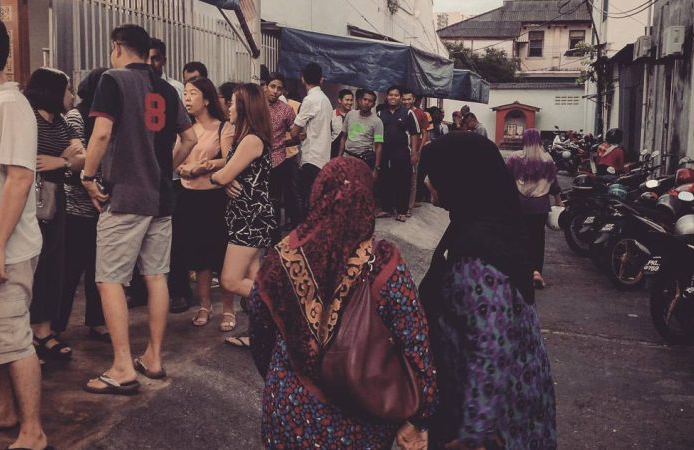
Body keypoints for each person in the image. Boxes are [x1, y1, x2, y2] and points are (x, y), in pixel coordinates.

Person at [249, 157, 437, 449]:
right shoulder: (383, 263)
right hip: (361, 417)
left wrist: (281, 374)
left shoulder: (282, 257)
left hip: (288, 407)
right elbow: (416, 342)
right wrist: (420, 417)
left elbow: (260, 331)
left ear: (317, 195)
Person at [419, 132, 557, 450]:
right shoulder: (489, 225)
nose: (428, 181)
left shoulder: (477, 255)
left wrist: (474, 435)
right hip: (509, 402)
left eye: (437, 174)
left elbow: (489, 347)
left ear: (461, 179)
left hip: (497, 421)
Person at [81, 24, 197, 395]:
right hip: (162, 197)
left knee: (110, 279)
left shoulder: (113, 80)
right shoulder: (166, 87)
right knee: (156, 276)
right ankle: (153, 358)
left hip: (127, 196)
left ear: (117, 47)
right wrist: (168, 167)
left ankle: (121, 367)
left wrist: (87, 175)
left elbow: (100, 134)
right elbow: (190, 137)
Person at [0, 11, 51, 450]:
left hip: (2, 247)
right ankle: (2, 410)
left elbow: (20, 178)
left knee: (13, 337)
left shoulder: (9, 103)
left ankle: (32, 430)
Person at [24, 68, 86, 363]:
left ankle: (44, 330)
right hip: (28, 201)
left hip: (56, 201)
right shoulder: (26, 118)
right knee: (31, 268)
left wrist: (59, 161)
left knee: (53, 267)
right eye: (67, 90)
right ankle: (26, 336)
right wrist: (65, 160)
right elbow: (29, 161)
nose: (71, 96)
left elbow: (81, 157)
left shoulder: (61, 121)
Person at [210, 83, 277, 348]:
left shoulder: (251, 140)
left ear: (245, 107)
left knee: (230, 279)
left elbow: (224, 174)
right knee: (254, 278)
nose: (228, 106)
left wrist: (219, 177)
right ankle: (260, 334)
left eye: (232, 102)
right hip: (248, 216)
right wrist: (226, 178)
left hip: (250, 220)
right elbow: (231, 173)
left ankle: (282, 304)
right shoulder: (245, 137)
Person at [55, 68, 110, 343]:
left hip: (104, 204)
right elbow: (74, 161)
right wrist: (90, 187)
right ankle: (56, 325)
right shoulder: (77, 116)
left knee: (98, 268)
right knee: (71, 267)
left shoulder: (110, 117)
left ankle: (97, 322)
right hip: (78, 204)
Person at [173, 77, 233, 329]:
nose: (187, 99)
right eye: (185, 94)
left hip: (214, 197)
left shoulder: (223, 127)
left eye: (192, 94)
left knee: (220, 254)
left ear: (206, 99)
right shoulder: (186, 130)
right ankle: (204, 305)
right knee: (199, 258)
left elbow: (230, 159)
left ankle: (228, 310)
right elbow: (175, 160)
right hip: (189, 197)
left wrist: (204, 165)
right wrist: (185, 169)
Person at [148, 37, 193, 314]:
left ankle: (179, 291)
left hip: (170, 177)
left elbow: (187, 133)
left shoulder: (173, 89)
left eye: (156, 58)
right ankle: (143, 291)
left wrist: (169, 167)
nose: (152, 63)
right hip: (144, 177)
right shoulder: (136, 87)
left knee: (174, 239)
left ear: (163, 60)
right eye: (148, 58)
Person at [506, 129, 563, 289]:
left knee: (519, 239)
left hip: (519, 206)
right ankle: (536, 272)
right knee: (537, 240)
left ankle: (521, 272)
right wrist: (559, 201)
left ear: (524, 141)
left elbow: (506, 181)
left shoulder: (515, 158)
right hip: (540, 207)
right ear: (539, 141)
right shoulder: (547, 159)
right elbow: (554, 184)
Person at [290, 63, 332, 216]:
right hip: (323, 157)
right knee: (318, 202)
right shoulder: (326, 100)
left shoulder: (310, 100)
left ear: (302, 79)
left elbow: (294, 131)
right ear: (322, 80)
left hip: (311, 159)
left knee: (308, 202)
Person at [263, 72, 302, 234]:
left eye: (279, 88)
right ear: (265, 87)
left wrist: (281, 143)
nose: (275, 91)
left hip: (277, 162)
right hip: (254, 160)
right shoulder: (255, 105)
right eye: (272, 86)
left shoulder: (286, 110)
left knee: (274, 201)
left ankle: (273, 239)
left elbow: (298, 136)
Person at [377, 85, 420, 223]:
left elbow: (414, 134)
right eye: (391, 95)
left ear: (400, 98)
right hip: (384, 153)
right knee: (385, 181)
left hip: (402, 153)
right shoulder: (380, 114)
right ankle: (386, 209)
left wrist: (414, 153)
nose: (393, 97)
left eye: (396, 95)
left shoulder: (407, 113)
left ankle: (402, 211)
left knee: (402, 181)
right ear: (387, 96)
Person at [338, 88, 384, 171]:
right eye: (364, 99)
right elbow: (343, 137)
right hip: (346, 157)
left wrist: (376, 169)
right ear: (359, 100)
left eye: (370, 101)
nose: (366, 102)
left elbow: (378, 146)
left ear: (373, 104)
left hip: (363, 160)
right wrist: (339, 157)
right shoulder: (350, 114)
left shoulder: (377, 121)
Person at [401, 90, 430, 213]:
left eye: (409, 99)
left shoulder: (421, 114)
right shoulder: (399, 112)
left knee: (413, 180)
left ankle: (409, 207)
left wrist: (418, 151)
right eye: (404, 99)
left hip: (414, 150)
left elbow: (425, 134)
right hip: (401, 150)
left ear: (414, 99)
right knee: (401, 179)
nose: (406, 101)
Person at [330, 88, 353, 158]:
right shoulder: (331, 115)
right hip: (333, 151)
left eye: (351, 100)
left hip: (350, 152)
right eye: (347, 100)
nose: (350, 103)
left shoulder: (354, 115)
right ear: (340, 100)